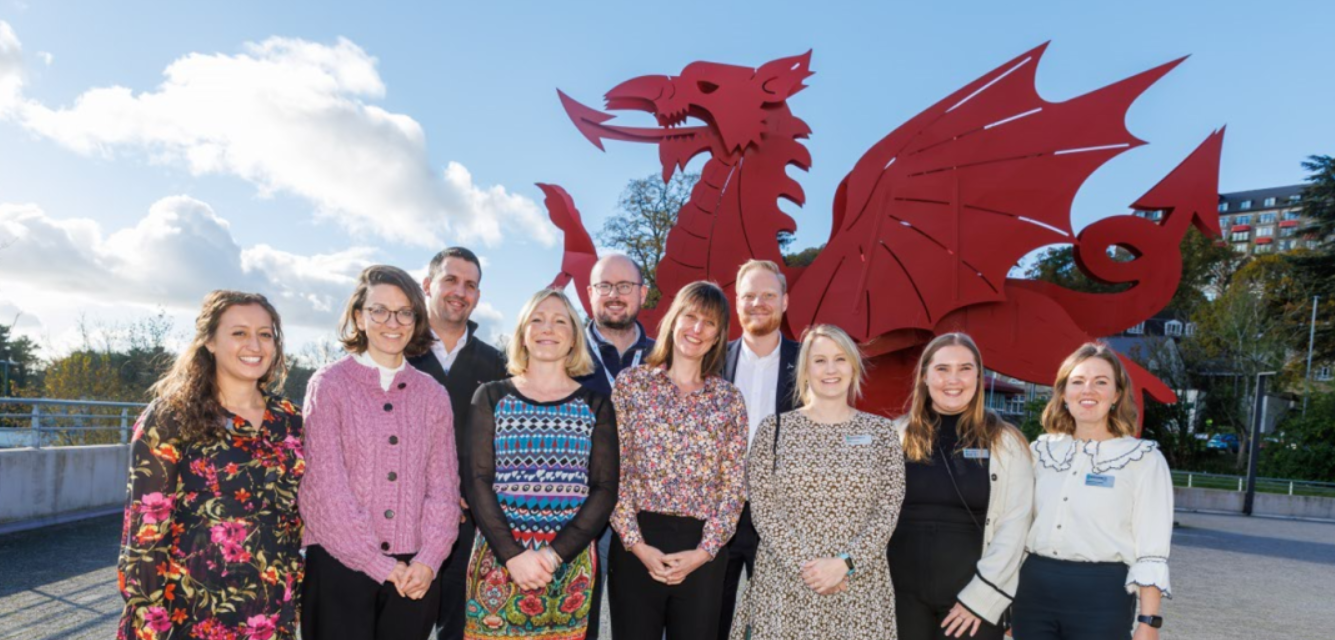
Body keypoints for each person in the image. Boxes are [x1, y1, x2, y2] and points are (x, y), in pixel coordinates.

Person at [117, 291, 304, 640]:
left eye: (265, 334)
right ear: (209, 341)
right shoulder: (169, 417)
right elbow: (144, 532)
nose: (255, 344)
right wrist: (148, 617)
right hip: (190, 613)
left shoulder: (290, 419)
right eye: (239, 333)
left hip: (271, 613)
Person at [300, 265, 461, 640]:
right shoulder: (329, 385)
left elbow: (443, 490)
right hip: (341, 565)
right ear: (359, 316)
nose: (393, 321)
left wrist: (429, 560)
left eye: (405, 311)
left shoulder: (433, 394)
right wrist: (377, 563)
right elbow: (324, 487)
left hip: (416, 574)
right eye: (379, 310)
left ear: (417, 319)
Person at [731, 324, 905, 639]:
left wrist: (844, 564)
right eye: (819, 360)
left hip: (859, 586)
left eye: (839, 359)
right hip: (786, 583)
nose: (830, 369)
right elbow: (764, 510)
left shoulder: (882, 433)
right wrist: (810, 568)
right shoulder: (773, 430)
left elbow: (887, 510)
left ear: (854, 367)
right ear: (805, 370)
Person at [463, 288, 619, 639]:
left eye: (560, 320)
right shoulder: (491, 396)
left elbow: (605, 489)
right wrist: (513, 556)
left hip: (567, 567)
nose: (547, 328)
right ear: (522, 333)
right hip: (498, 562)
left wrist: (551, 557)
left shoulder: (596, 405)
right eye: (537, 319)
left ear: (574, 337)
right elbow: (477, 479)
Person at [608, 281, 748, 640]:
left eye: (709, 322)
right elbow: (612, 473)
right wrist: (637, 545)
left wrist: (704, 552)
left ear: (718, 336)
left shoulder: (729, 400)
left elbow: (733, 487)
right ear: (673, 320)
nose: (697, 329)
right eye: (690, 316)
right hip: (637, 543)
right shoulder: (631, 386)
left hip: (702, 549)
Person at [1013, 342, 1173, 640]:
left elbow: (1152, 547)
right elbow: (1015, 527)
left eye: (1101, 382)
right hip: (1032, 591)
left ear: (1116, 395)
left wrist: (1149, 622)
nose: (1088, 390)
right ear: (1063, 394)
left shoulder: (1143, 459)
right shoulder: (1040, 452)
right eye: (1077, 382)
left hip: (1102, 595)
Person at [888, 333, 1033, 640]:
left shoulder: (1006, 443)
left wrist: (980, 600)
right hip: (900, 600)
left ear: (978, 377)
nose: (953, 379)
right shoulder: (893, 436)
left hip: (971, 606)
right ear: (925, 376)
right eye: (942, 369)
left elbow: (1015, 526)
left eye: (964, 368)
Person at [405, 247, 508, 640]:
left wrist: (475, 493)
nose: (459, 291)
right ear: (428, 285)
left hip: (471, 523)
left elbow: (502, 445)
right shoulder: (398, 352)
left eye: (470, 285)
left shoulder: (497, 365)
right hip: (404, 519)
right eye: (450, 280)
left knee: (461, 629)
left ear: (478, 296)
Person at [574, 252, 656, 638]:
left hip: (647, 514)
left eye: (624, 286)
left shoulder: (665, 358)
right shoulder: (563, 352)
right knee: (576, 621)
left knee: (642, 625)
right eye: (605, 286)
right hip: (578, 510)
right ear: (590, 293)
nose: (615, 295)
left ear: (643, 293)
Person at [717, 259, 800, 640]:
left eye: (768, 295)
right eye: (749, 295)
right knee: (709, 619)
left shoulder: (809, 364)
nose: (758, 303)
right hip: (719, 515)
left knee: (778, 626)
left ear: (785, 302)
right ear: (736, 302)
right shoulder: (712, 361)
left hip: (783, 516)